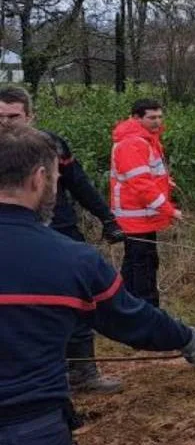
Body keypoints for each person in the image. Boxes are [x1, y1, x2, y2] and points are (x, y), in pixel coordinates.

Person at [0, 122, 195, 445]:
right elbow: (132, 320)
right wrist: (189, 338)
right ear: (38, 178)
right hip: (29, 431)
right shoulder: (73, 259)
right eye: (57, 179)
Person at [0, 87, 126, 395]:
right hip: (10, 238)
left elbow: (79, 184)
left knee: (81, 299)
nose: (5, 123)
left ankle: (83, 370)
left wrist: (107, 218)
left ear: (30, 116)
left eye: (13, 116)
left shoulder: (52, 146)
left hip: (59, 231)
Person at [109, 98, 183, 308]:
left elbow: (146, 174)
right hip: (136, 216)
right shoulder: (134, 142)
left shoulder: (145, 139)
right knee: (144, 266)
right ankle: (147, 312)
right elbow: (141, 184)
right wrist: (169, 210)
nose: (157, 122)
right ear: (136, 118)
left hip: (142, 216)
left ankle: (126, 307)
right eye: (151, 117)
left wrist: (165, 182)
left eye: (160, 116)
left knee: (136, 263)